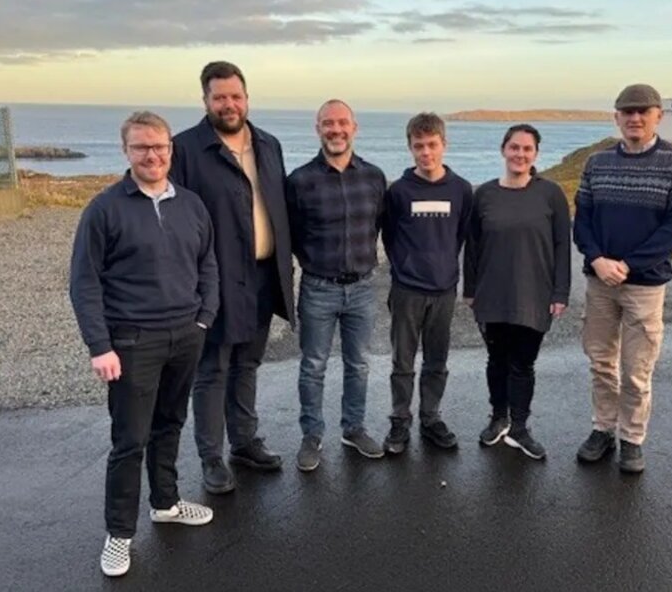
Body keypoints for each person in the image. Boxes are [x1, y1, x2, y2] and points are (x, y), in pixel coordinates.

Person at [70, 111, 219, 577]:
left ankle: (166, 503)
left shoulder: (191, 204)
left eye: (159, 146)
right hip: (132, 342)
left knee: (170, 423)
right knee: (130, 441)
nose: (152, 155)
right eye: (141, 147)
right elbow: (84, 283)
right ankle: (119, 534)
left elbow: (207, 264)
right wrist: (100, 345)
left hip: (186, 336)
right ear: (126, 151)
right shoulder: (104, 209)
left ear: (171, 149)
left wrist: (204, 318)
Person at [170, 61, 295, 494]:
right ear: (205, 100)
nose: (229, 104)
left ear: (247, 98)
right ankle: (211, 457)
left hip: (263, 276)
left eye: (235, 96)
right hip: (214, 281)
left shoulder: (269, 145)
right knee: (212, 369)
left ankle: (243, 442)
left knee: (247, 363)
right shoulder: (185, 149)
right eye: (219, 97)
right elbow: (175, 222)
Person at [573, 84, 672, 473]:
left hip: (645, 286)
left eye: (643, 111)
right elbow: (583, 218)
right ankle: (602, 429)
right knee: (600, 362)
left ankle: (631, 439)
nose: (635, 118)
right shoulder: (597, 163)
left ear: (658, 115)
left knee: (636, 370)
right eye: (627, 112)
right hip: (599, 281)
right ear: (616, 117)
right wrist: (597, 259)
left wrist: (628, 265)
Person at [286, 99, 387, 471]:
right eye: (328, 123)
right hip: (318, 288)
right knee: (313, 365)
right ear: (318, 129)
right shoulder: (299, 180)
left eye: (343, 122)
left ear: (354, 128)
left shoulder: (374, 177)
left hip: (362, 288)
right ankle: (311, 435)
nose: (336, 129)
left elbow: (377, 224)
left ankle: (353, 428)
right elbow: (292, 233)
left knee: (358, 364)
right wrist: (315, 262)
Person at [463, 124, 571, 460]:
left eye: (527, 149)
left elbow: (562, 245)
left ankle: (520, 427)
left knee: (523, 363)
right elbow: (472, 246)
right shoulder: (484, 195)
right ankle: (499, 418)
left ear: (536, 154)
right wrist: (470, 289)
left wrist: (561, 292)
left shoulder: (550, 194)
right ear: (503, 150)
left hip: (534, 294)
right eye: (514, 147)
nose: (520, 154)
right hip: (492, 292)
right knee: (497, 360)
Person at [381, 112, 473, 454]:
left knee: (437, 360)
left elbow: (461, 234)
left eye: (432, 145)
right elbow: (390, 236)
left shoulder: (461, 189)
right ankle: (400, 420)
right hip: (407, 290)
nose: (426, 152)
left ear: (444, 144)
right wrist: (406, 267)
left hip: (444, 290)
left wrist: (444, 266)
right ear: (410, 147)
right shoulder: (399, 191)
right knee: (402, 362)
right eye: (418, 146)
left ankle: (431, 417)